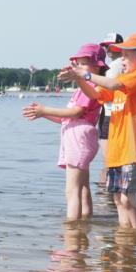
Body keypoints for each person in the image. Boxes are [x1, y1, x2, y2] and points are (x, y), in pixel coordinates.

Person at [60, 33, 136, 229]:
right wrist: (79, 79)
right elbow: (96, 94)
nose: (122, 59)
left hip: (135, 148)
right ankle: (124, 240)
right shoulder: (123, 78)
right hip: (117, 149)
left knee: (127, 198)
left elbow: (113, 84)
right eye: (121, 54)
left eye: (127, 54)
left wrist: (84, 74)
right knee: (118, 200)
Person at [24, 44, 105, 221]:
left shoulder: (90, 85)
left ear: (97, 66)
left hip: (79, 137)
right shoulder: (84, 87)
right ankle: (84, 222)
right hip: (81, 135)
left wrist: (45, 109)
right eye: (79, 64)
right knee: (82, 187)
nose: (80, 67)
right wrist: (43, 114)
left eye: (85, 64)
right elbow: (67, 118)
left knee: (72, 189)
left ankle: (72, 229)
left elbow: (76, 113)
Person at [95, 33, 125, 186]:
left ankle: (106, 194)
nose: (107, 49)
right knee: (112, 158)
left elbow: (108, 87)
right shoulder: (123, 63)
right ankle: (109, 194)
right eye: (105, 46)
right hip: (115, 112)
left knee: (108, 158)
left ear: (120, 46)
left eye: (110, 46)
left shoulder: (117, 64)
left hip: (109, 113)